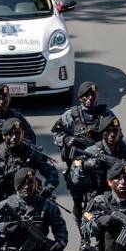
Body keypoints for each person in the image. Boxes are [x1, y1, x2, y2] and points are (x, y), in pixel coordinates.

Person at [51, 82, 111, 222]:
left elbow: (118, 134)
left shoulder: (106, 114)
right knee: (77, 201)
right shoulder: (70, 115)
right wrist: (67, 139)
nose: (90, 98)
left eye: (93, 95)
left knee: (103, 201)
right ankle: (82, 231)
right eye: (87, 95)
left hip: (99, 164)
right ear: (80, 98)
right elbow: (56, 135)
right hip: (77, 165)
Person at [0, 118, 60, 209]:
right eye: (10, 134)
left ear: (23, 134)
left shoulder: (33, 153)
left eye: (17, 133)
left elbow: (52, 173)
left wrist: (49, 187)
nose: (14, 137)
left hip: (29, 204)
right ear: (4, 136)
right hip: (2, 204)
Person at [69, 114, 126, 206]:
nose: (112, 134)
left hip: (124, 198)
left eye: (115, 131)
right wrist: (85, 166)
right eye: (108, 131)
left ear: (120, 132)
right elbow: (75, 179)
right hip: (98, 199)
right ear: (102, 132)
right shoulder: (91, 151)